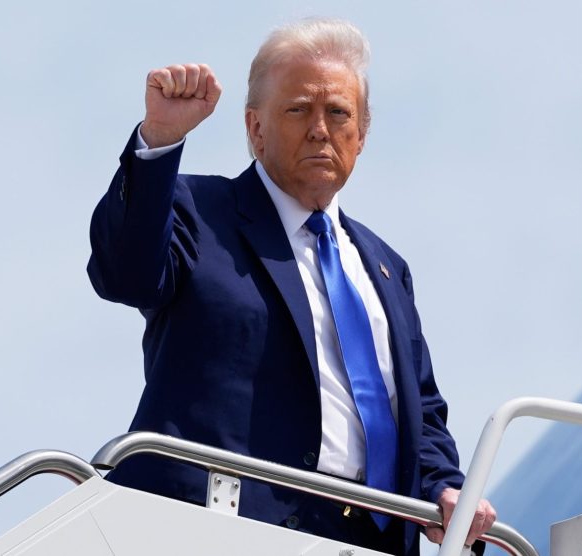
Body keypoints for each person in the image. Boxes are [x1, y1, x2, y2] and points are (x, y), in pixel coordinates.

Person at [87, 17, 495, 556]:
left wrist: (443, 486)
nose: (320, 130)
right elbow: (125, 274)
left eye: (339, 113)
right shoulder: (198, 211)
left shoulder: (386, 268)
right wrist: (160, 140)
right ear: (255, 129)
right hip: (221, 528)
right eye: (299, 110)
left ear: (362, 134)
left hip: (366, 541)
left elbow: (418, 408)